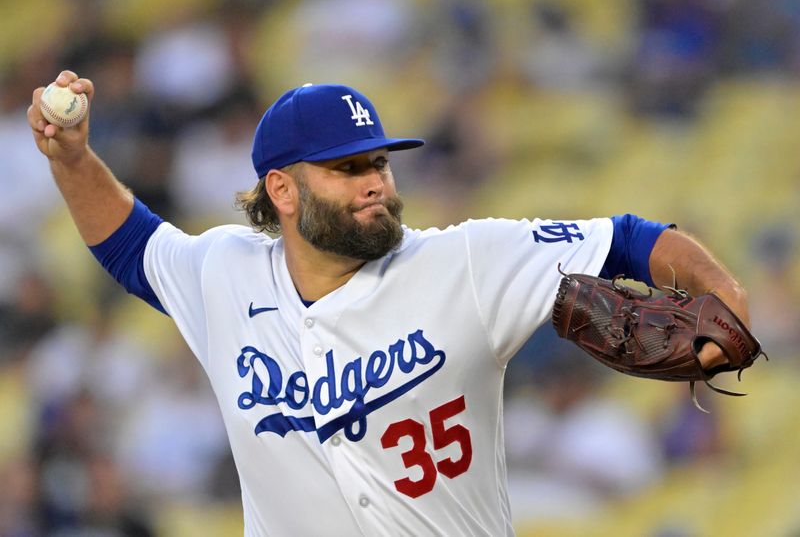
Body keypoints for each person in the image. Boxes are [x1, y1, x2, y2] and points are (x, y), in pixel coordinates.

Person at [28, 70, 749, 536]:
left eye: (378, 161)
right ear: (283, 191)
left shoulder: (462, 261)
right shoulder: (226, 271)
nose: (375, 181)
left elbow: (627, 239)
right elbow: (131, 247)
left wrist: (727, 294)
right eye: (348, 168)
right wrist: (71, 158)